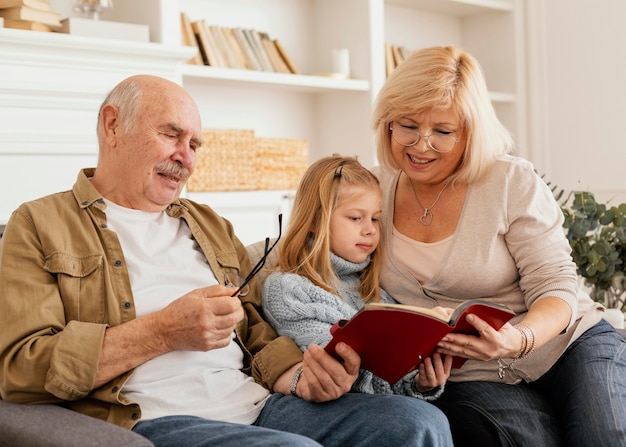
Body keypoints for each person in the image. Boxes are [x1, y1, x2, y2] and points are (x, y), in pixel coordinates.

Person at [0, 74, 454, 447]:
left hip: (259, 405)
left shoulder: (208, 224)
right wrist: (161, 331)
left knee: (417, 423)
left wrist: (300, 377)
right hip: (154, 418)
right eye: (171, 135)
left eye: (195, 145)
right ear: (113, 125)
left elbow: (255, 328)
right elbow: (20, 368)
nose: (185, 158)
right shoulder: (39, 224)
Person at [370, 45, 626, 446]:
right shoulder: (369, 191)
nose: (421, 146)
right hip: (472, 373)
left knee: (604, 435)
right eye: (407, 126)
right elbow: (305, 252)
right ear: (387, 124)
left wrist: (516, 339)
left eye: (442, 131)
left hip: (566, 343)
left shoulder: (510, 181)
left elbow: (557, 286)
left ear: (470, 132)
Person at [262, 154, 453, 399]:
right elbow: (336, 370)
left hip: (384, 407)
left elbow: (396, 377)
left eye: (375, 218)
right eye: (355, 218)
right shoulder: (287, 289)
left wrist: (421, 383)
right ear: (315, 220)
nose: (370, 229)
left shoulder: (374, 290)